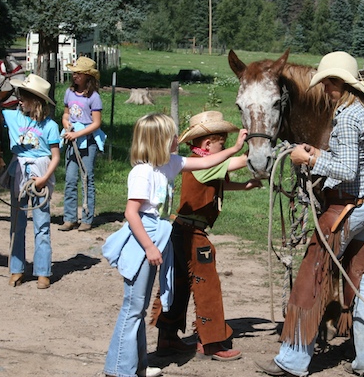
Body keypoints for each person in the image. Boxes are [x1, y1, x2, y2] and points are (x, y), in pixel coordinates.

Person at [256, 51, 364, 377]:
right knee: (361, 281)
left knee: (312, 277)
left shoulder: (348, 116)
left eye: (328, 82)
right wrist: (320, 152)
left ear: (341, 83)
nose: (325, 88)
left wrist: (309, 159)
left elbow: (344, 169)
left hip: (345, 211)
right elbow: (353, 159)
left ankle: (292, 360)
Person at [101, 112, 248, 377]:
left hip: (158, 233)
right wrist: (149, 246)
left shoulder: (169, 164)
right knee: (132, 308)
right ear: (158, 140)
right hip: (144, 236)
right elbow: (132, 213)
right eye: (172, 135)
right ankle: (120, 369)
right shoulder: (142, 173)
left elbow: (206, 163)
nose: (177, 139)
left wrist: (235, 148)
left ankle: (138, 366)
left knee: (140, 306)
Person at [149, 111, 262, 361]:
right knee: (207, 284)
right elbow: (236, 162)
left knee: (178, 282)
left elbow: (219, 182)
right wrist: (249, 148)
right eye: (221, 141)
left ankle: (167, 336)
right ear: (207, 144)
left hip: (181, 231)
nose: (223, 145)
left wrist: (245, 186)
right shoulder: (201, 163)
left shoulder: (202, 165)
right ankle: (211, 341)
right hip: (191, 234)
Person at [3, 74, 61, 289]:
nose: (19, 100)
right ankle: (16, 268)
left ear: (35, 100)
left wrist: (44, 178)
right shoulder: (13, 116)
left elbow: (55, 156)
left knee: (42, 223)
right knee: (17, 223)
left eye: (23, 97)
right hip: (19, 168)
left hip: (40, 170)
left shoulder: (50, 126)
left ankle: (43, 271)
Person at [59, 56, 105, 232]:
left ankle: (87, 217)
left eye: (78, 73)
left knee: (87, 178)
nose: (75, 76)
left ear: (88, 76)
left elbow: (96, 123)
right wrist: (66, 125)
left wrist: (78, 133)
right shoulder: (69, 93)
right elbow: (65, 114)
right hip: (72, 140)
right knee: (70, 179)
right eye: (74, 73)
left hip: (88, 140)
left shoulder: (94, 97)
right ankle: (69, 218)